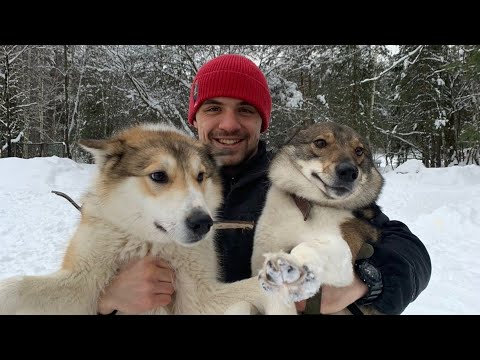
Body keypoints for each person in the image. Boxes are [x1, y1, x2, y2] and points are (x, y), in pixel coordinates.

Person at [97, 54, 431, 315]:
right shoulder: (143, 181)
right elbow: (82, 276)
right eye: (214, 108)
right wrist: (107, 298)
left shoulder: (299, 182)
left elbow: (408, 250)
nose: (229, 124)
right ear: (195, 117)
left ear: (262, 121)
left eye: (245, 110)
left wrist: (364, 282)